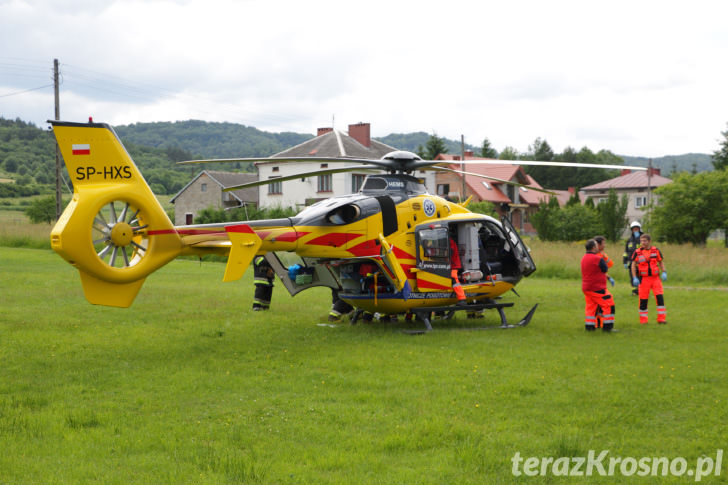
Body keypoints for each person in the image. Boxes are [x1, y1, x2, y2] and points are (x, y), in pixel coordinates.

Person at [630, 233, 667, 324]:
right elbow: (633, 265)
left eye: (645, 241)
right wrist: (634, 277)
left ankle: (661, 319)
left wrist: (664, 272)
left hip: (655, 279)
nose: (643, 243)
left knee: (660, 298)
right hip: (643, 279)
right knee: (643, 299)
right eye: (641, 241)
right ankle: (643, 320)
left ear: (649, 241)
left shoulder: (656, 250)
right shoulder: (637, 252)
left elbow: (661, 262)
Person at [581, 239, 616, 332]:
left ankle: (589, 327)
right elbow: (605, 269)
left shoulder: (584, 258)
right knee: (609, 304)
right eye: (596, 246)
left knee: (591, 307)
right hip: (597, 287)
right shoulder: (597, 258)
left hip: (586, 288)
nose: (598, 247)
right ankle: (608, 327)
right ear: (593, 247)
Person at [623, 221, 643, 296]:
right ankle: (635, 291)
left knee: (641, 277)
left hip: (641, 262)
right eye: (634, 229)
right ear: (631, 230)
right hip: (631, 262)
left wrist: (638, 239)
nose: (635, 230)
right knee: (632, 277)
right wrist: (625, 262)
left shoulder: (642, 238)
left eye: (637, 229)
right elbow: (626, 252)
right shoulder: (629, 240)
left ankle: (642, 291)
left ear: (639, 229)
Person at [449, 235, 467, 305]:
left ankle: (462, 298)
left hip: (453, 265)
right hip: (450, 264)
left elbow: (450, 252)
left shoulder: (449, 240)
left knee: (453, 277)